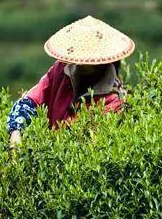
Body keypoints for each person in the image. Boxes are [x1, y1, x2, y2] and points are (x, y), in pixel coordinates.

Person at [7, 15, 135, 148]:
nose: (79, 62)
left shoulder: (115, 100)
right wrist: (16, 132)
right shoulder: (61, 69)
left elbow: (90, 149)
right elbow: (29, 102)